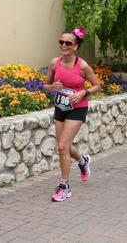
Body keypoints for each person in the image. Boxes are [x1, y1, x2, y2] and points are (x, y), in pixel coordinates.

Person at [44, 27, 101, 201]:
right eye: (61, 42)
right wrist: (52, 88)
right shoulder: (55, 63)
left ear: (75, 46)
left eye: (68, 43)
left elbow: (97, 85)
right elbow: (46, 85)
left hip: (78, 108)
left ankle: (64, 186)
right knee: (64, 146)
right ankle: (83, 161)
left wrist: (84, 93)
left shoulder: (82, 65)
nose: (64, 45)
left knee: (62, 147)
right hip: (61, 107)